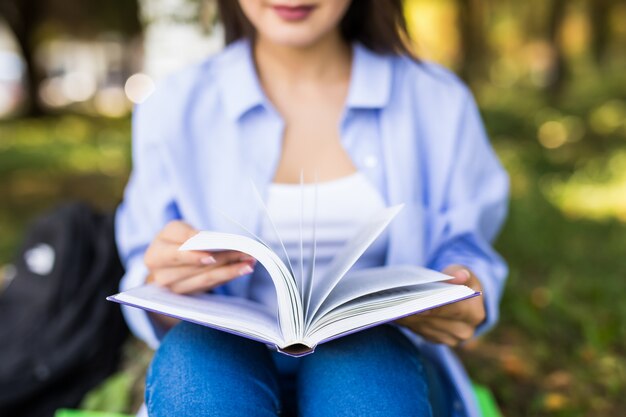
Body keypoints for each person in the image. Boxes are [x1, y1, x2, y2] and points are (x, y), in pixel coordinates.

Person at [116, 1, 509, 416]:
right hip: (216, 372)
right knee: (197, 357)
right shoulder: (174, 106)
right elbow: (143, 268)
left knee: (367, 362)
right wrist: (163, 280)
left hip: (388, 369)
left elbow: (467, 252)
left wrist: (463, 290)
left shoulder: (437, 101)